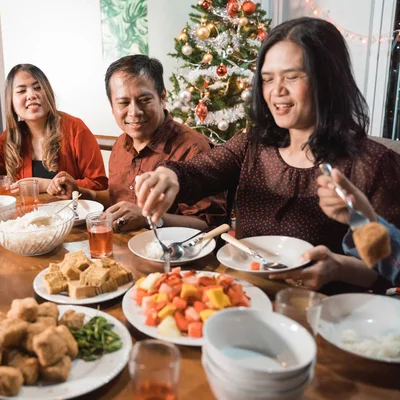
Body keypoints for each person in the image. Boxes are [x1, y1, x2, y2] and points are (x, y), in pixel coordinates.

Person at [135, 18, 400, 288]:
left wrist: (338, 268)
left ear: (327, 79)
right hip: (246, 291)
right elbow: (201, 170)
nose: (277, 91)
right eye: (267, 79)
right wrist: (169, 175)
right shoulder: (254, 143)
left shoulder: (373, 163)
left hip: (324, 311)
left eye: (292, 76)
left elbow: (389, 271)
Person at [46, 55, 226, 232]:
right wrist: (80, 193)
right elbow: (117, 198)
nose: (134, 112)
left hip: (174, 256)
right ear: (112, 106)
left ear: (162, 97)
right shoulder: (121, 144)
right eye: (123, 103)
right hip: (122, 250)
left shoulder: (193, 148)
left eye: (145, 100)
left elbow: (210, 225)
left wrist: (148, 218)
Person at [0, 64, 107, 194]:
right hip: (28, 217)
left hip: (71, 217)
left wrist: (46, 185)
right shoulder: (11, 137)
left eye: (38, 87)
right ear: (11, 101)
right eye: (21, 91)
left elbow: (99, 186)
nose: (31, 95)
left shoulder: (75, 129)